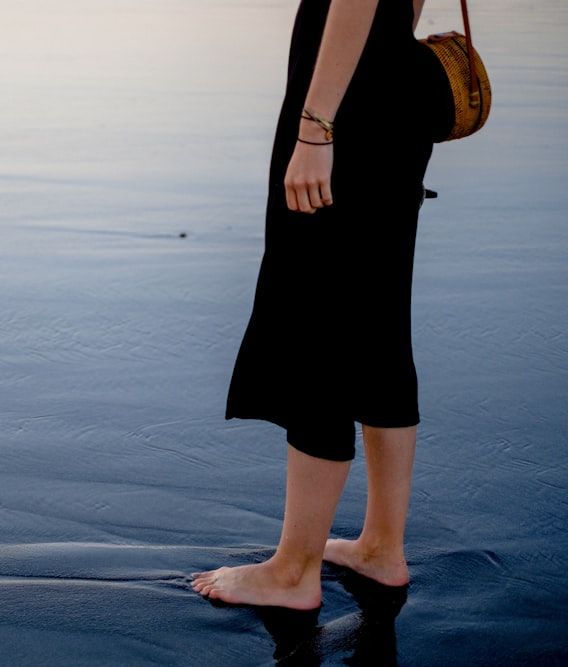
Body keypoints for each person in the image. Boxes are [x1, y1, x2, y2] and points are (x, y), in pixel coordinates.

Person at [192, 0, 440, 610]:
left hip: (344, 110)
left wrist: (316, 127)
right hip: (391, 97)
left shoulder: (327, 117)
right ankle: (382, 546)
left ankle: (293, 571)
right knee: (379, 323)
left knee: (317, 323)